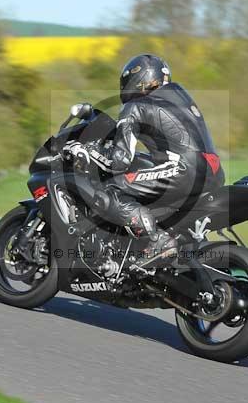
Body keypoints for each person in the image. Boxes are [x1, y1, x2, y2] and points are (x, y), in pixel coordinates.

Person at [66, 54, 225, 266]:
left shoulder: (136, 106)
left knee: (111, 190)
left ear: (137, 78)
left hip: (184, 170)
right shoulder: (180, 100)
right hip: (214, 172)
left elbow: (119, 162)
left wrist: (86, 150)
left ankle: (156, 240)